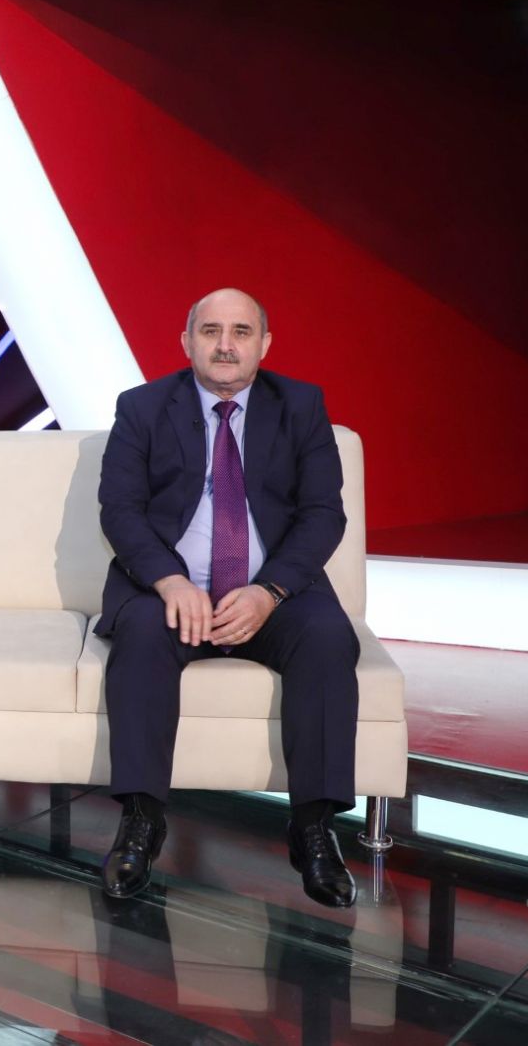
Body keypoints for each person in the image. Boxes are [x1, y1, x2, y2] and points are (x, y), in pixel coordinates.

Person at [95, 288, 359, 908]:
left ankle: (313, 829)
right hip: (171, 590)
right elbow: (120, 509)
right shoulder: (141, 407)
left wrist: (270, 591)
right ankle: (141, 821)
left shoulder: (300, 406)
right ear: (186, 342)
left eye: (241, 332)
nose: (225, 345)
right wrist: (169, 580)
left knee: (327, 636)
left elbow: (323, 514)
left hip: (272, 592)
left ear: (264, 344)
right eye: (210, 331)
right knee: (141, 634)